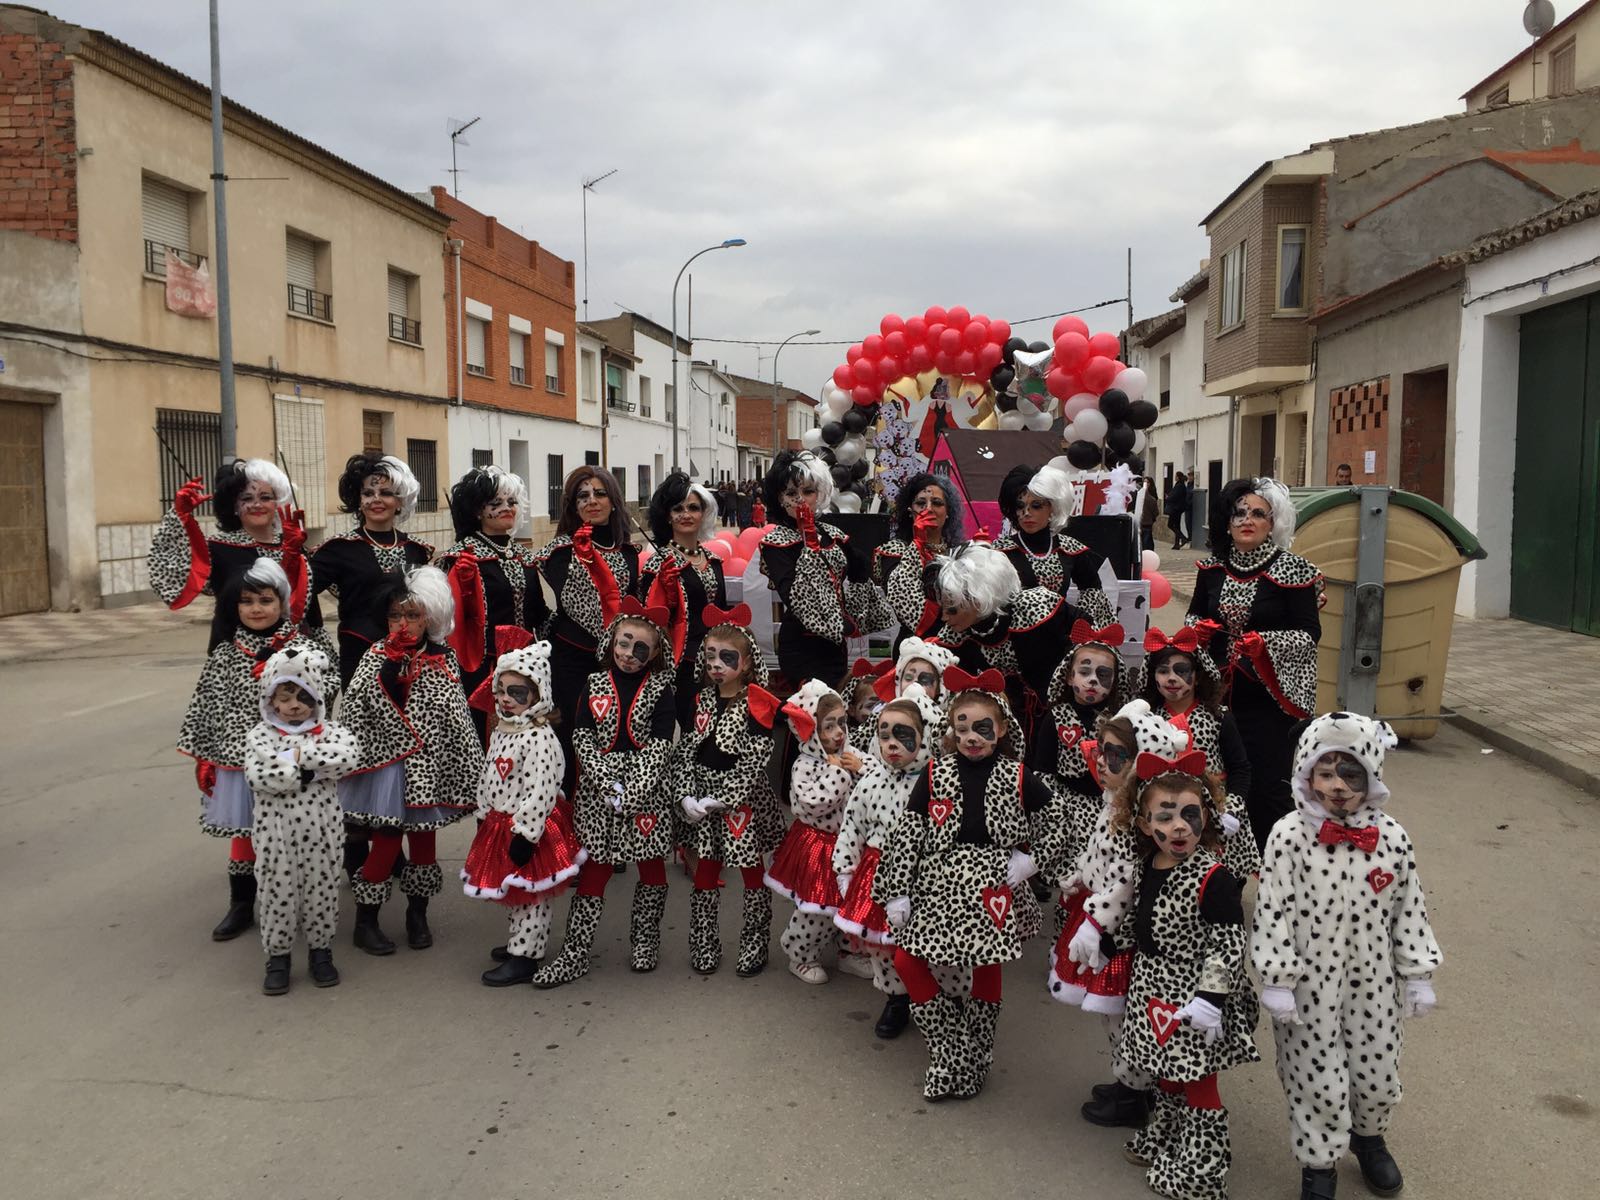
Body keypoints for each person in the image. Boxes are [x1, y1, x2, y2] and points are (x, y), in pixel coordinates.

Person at [1253, 713, 1441, 1200]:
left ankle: (1369, 1137)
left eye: (1351, 773)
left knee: (1377, 1073)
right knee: (1316, 1075)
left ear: (1372, 774)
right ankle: (1319, 1163)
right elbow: (1272, 907)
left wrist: (1417, 973)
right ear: (1307, 773)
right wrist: (1275, 977)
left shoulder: (1392, 837)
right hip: (1309, 984)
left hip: (1374, 981)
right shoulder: (1289, 835)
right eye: (1326, 772)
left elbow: (1409, 906)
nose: (1337, 787)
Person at [875, 680, 1068, 1101]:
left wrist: (1030, 861)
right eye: (962, 729)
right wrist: (896, 892)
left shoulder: (1018, 776)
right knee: (908, 961)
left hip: (992, 886)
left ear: (1001, 729)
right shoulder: (935, 772)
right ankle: (949, 1050)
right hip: (937, 880)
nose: (971, 737)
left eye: (982, 728)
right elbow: (909, 833)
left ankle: (976, 1058)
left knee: (986, 966)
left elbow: (1060, 821)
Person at [1114, 749, 1259, 1200]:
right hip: (1152, 986)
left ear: (1207, 819)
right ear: (1143, 824)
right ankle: (1169, 1131)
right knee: (1166, 1070)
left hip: (1194, 996)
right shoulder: (1148, 865)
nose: (1179, 826)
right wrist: (1107, 944)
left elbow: (1229, 942)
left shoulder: (1213, 877)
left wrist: (1210, 999)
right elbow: (1141, 919)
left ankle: (1202, 1166)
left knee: (1198, 1077)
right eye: (1166, 816)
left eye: (1190, 815)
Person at [338, 566, 482, 954]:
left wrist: (472, 768)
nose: (403, 623)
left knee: (423, 843)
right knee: (386, 840)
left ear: (430, 618)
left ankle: (417, 915)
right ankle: (365, 920)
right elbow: (355, 710)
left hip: (428, 770)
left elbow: (456, 716)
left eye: (413, 615)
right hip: (388, 769)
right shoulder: (375, 656)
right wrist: (391, 672)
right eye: (395, 615)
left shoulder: (443, 658)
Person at [535, 600, 679, 988]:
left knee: (651, 867)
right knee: (596, 867)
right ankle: (576, 952)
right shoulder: (593, 683)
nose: (629, 655)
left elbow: (663, 742)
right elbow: (581, 734)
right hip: (599, 796)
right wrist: (603, 779)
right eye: (624, 643)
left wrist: (633, 790)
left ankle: (645, 942)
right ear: (612, 640)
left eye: (641, 649)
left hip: (645, 794)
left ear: (655, 653)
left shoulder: (662, 689)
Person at [177, 559, 312, 941]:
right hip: (238, 761)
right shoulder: (225, 652)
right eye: (247, 601)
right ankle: (241, 905)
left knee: (293, 832)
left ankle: (298, 900)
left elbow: (327, 687)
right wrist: (206, 758)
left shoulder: (302, 649)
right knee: (245, 834)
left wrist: (286, 671)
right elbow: (207, 706)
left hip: (289, 757)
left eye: (265, 600)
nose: (256, 608)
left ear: (282, 603)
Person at [1186, 477, 1324, 850]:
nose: (1247, 519)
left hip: (1269, 701)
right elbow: (1193, 616)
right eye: (1238, 512)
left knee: (1266, 788)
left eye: (1258, 513)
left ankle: (1274, 869)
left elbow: (1310, 634)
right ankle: (1218, 871)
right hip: (1216, 697)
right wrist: (1197, 632)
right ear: (1227, 522)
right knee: (1215, 780)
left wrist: (1265, 644)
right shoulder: (1211, 569)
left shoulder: (1294, 571)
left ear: (1272, 522)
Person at [460, 641, 586, 987]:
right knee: (514, 889)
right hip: (502, 822)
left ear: (538, 694)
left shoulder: (539, 737)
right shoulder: (505, 728)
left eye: (516, 692)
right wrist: (484, 811)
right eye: (501, 690)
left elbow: (543, 787)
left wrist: (527, 833)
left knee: (532, 893)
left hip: (530, 828)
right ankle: (520, 942)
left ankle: (526, 955)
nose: (505, 698)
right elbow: (490, 773)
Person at [673, 606, 787, 976]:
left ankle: (755, 946)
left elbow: (756, 756)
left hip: (742, 804)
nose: (716, 664)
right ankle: (704, 944)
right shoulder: (702, 700)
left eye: (727, 657)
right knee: (705, 871)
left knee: (752, 874)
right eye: (710, 656)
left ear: (747, 661)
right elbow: (688, 747)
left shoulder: (758, 703)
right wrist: (686, 793)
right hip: (703, 799)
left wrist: (725, 796)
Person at [243, 645, 359, 995]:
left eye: (303, 696)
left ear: (317, 697)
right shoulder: (259, 736)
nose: (294, 705)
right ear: (271, 699)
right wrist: (309, 772)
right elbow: (260, 777)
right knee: (276, 892)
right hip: (274, 833)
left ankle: (321, 952)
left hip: (323, 830)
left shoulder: (330, 732)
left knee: (321, 890)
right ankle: (278, 957)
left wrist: (295, 754)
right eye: (285, 696)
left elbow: (347, 757)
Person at [833, 685, 942, 1039]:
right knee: (883, 946)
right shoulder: (871, 782)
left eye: (903, 734)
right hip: (877, 874)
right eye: (884, 734)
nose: (891, 743)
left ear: (924, 737)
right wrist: (844, 868)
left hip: (925, 874)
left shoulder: (939, 782)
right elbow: (853, 825)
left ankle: (934, 1000)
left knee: (925, 942)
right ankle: (896, 998)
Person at [926, 542, 1087, 757]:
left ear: (978, 599)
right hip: (998, 735)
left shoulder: (1037, 607)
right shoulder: (953, 636)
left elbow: (1088, 633)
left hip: (1058, 721)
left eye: (952, 609)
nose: (945, 617)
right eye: (943, 609)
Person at [535, 466, 642, 786]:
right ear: (572, 505)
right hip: (570, 661)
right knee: (570, 738)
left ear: (614, 501)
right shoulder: (557, 553)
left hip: (619, 663)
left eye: (600, 493)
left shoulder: (628, 552)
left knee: (614, 737)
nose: (592, 500)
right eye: (583, 495)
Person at [147, 458, 317, 651]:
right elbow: (173, 582)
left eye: (265, 497)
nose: (256, 504)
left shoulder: (293, 544)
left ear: (278, 502)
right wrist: (180, 516)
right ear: (235, 506)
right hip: (233, 656)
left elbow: (306, 609)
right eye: (247, 498)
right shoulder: (217, 547)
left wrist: (292, 556)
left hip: (289, 656)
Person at [1139, 627, 1262, 880]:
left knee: (1218, 885)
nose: (1171, 678)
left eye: (1181, 670)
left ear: (1197, 676)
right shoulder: (1147, 720)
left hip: (1217, 814)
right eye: (1163, 671)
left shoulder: (1219, 717)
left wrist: (1232, 811)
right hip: (1169, 819)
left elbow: (1241, 768)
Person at [437, 465, 549, 744]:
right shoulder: (460, 557)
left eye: (511, 502)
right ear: (477, 511)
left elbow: (537, 612)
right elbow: (449, 622)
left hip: (527, 665)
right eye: (495, 503)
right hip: (480, 668)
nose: (506, 508)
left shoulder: (523, 556)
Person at [758, 450, 889, 688]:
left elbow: (861, 572)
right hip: (800, 646)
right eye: (791, 493)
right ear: (779, 498)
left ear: (819, 495)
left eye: (808, 491)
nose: (800, 499)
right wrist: (809, 542)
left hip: (834, 646)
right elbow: (794, 596)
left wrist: (852, 618)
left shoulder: (833, 535)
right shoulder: (775, 543)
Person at [765, 680, 862, 985]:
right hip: (819, 846)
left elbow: (874, 779)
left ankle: (849, 951)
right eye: (828, 726)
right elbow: (809, 804)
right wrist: (839, 773)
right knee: (817, 908)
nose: (839, 733)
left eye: (842, 723)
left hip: (852, 845)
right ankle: (801, 954)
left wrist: (858, 767)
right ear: (810, 732)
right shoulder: (805, 764)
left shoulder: (849, 754)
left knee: (853, 903)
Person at [309, 454, 433, 687]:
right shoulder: (339, 548)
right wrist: (293, 558)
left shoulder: (417, 550)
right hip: (359, 657)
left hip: (410, 658)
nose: (376, 499)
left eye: (386, 493)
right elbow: (300, 591)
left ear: (400, 501)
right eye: (368, 493)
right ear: (358, 500)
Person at [640, 473, 727, 731]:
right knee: (691, 731)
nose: (685, 514)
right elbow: (651, 623)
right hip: (682, 666)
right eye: (678, 508)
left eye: (693, 508)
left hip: (719, 663)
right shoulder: (659, 563)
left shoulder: (713, 560)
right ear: (667, 516)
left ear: (704, 513)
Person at [992, 463, 1116, 627]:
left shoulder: (1070, 549)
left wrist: (1078, 620)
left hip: (1061, 640)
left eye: (1036, 506)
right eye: (1020, 506)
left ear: (1053, 507)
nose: (1027, 513)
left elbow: (1092, 587)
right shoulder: (1000, 551)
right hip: (1016, 642)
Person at [871, 472, 966, 648]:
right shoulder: (893, 550)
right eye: (921, 503)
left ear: (947, 513)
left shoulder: (960, 554)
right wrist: (918, 542)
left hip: (959, 649)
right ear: (910, 511)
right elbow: (907, 604)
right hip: (914, 651)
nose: (928, 508)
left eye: (937, 503)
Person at [1164, 472, 1190, 550]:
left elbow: (1174, 496)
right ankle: (1177, 544)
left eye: (1175, 476)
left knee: (1170, 524)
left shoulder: (1179, 486)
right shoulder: (1180, 485)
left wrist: (1168, 498)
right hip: (1178, 508)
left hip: (1176, 509)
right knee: (1177, 526)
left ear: (1178, 477)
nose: (1175, 477)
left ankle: (1183, 538)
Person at [1140, 476, 1159, 552]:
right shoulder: (1140, 494)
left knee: (1147, 542)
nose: (1146, 484)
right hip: (1141, 521)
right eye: (1145, 482)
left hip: (1148, 522)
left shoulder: (1152, 496)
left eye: (1148, 482)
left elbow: (1155, 511)